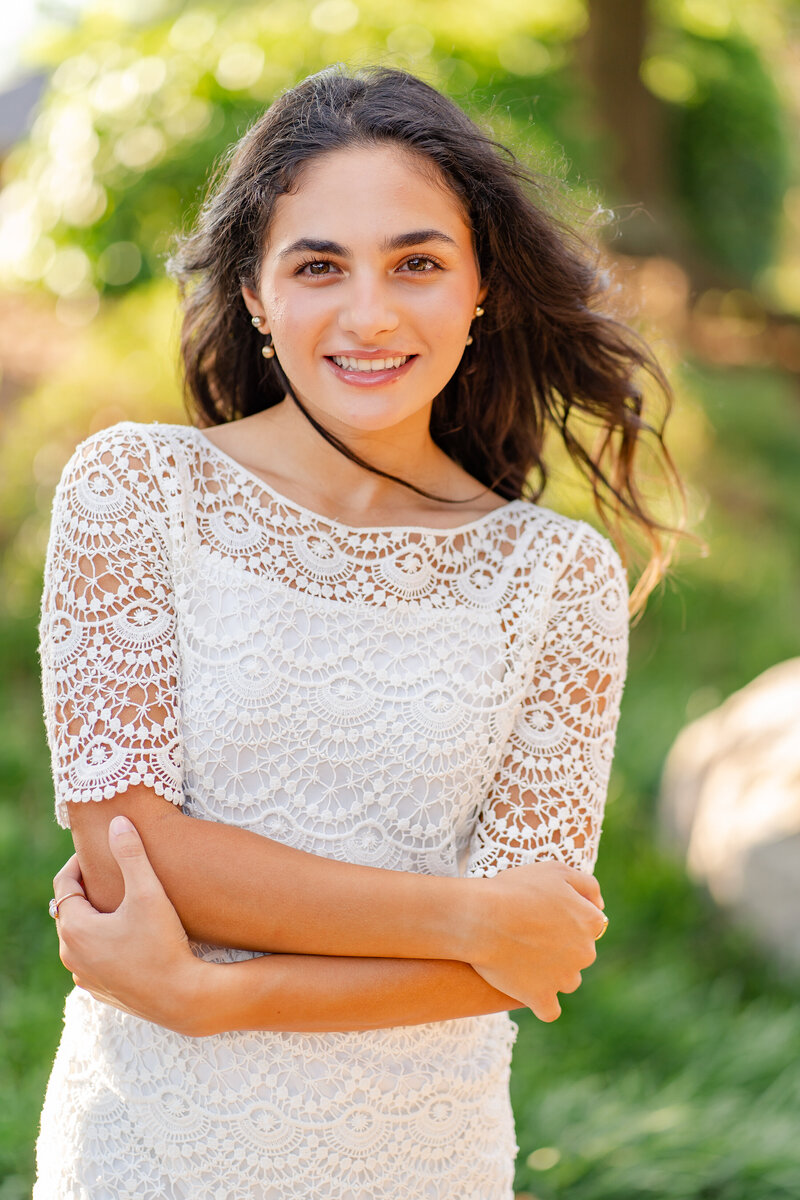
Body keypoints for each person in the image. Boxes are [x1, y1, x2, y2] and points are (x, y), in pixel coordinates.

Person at [34, 64, 681, 1199]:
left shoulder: (553, 577)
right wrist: (467, 916)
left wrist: (217, 993)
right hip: (153, 1149)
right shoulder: (136, 491)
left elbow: (521, 962)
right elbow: (131, 851)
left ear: (481, 287)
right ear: (251, 291)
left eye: (416, 262)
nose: (369, 314)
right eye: (318, 264)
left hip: (421, 1155)